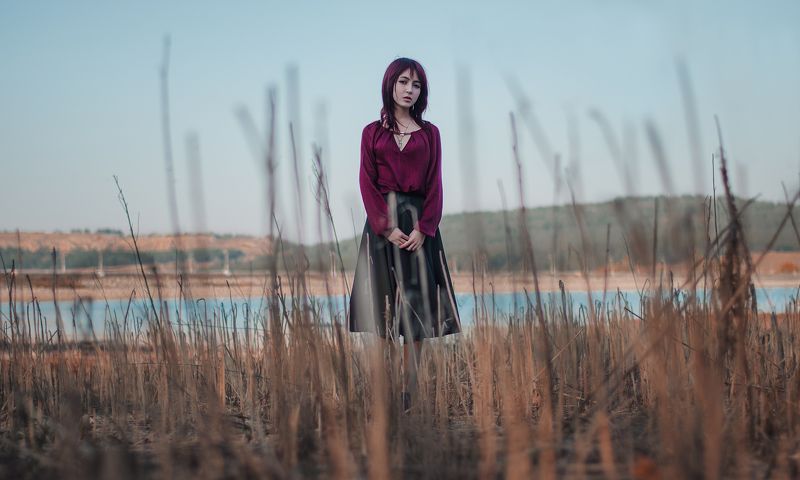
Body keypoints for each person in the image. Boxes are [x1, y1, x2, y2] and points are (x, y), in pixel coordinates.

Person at [348, 57, 461, 411]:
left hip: (418, 229)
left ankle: (410, 393)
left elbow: (435, 185)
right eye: (403, 82)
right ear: (390, 85)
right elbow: (366, 183)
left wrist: (424, 229)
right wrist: (386, 226)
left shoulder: (431, 134)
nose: (409, 90)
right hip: (382, 227)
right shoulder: (371, 132)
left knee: (416, 315)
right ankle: (385, 394)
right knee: (382, 314)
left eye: (416, 85)